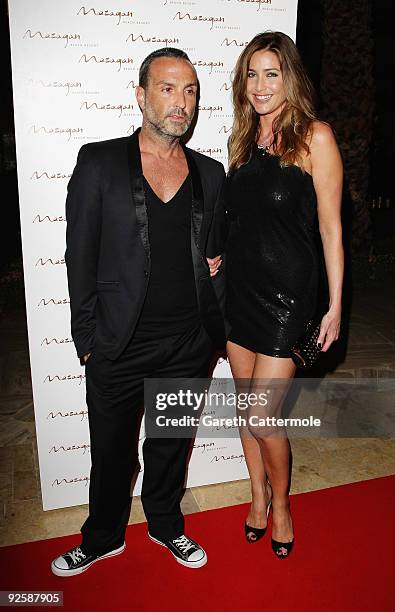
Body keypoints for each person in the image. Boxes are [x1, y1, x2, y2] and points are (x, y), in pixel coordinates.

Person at [51, 47, 226, 576]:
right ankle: (102, 536)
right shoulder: (99, 162)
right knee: (111, 452)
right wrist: (87, 337)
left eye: (191, 90)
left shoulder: (210, 173)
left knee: (170, 445)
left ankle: (166, 525)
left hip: (188, 342)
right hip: (118, 343)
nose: (182, 102)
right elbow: (78, 255)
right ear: (141, 95)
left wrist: (216, 278)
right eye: (169, 88)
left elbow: (216, 250)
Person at [225, 32, 343, 558]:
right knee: (244, 408)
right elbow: (240, 222)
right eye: (252, 73)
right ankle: (256, 497)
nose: (260, 85)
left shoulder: (314, 137)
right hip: (238, 291)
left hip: (288, 297)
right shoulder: (243, 142)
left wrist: (335, 304)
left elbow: (330, 229)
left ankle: (284, 505)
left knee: (261, 416)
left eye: (271, 73)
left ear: (289, 77)